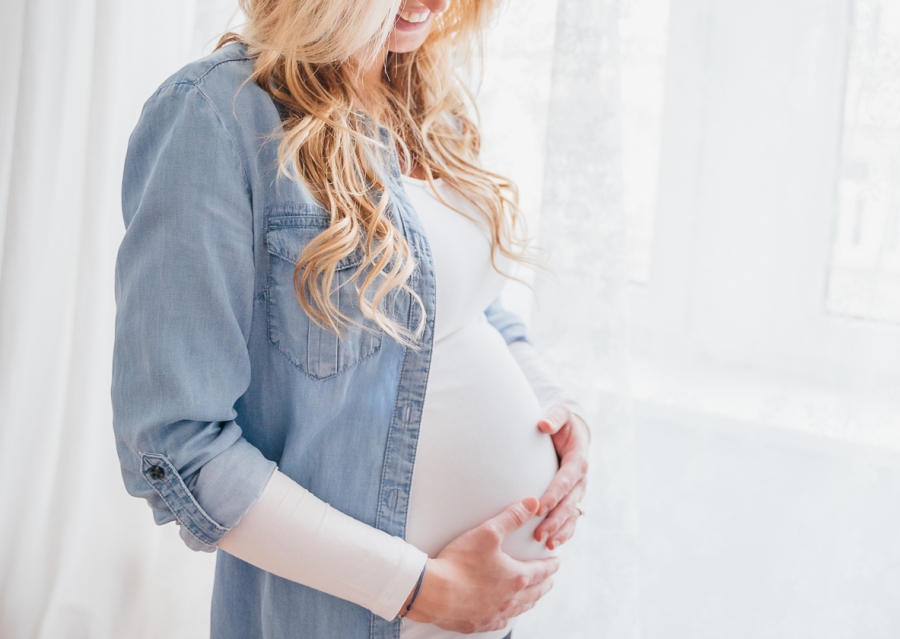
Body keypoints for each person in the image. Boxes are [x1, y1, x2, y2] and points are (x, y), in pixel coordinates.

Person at [112, 0, 590, 637]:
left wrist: (557, 412)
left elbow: (464, 310)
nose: (435, 4)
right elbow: (179, 443)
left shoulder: (423, 100)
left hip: (479, 615)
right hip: (347, 617)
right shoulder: (214, 114)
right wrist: (416, 590)